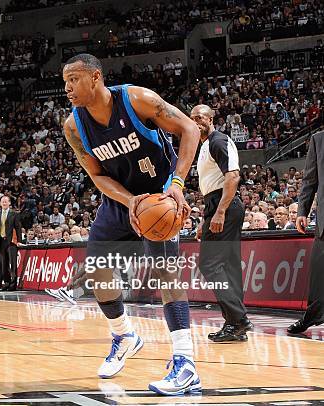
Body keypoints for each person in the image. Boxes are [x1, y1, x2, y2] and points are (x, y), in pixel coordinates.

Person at [62, 54, 200, 395]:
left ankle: (186, 362)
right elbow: (96, 174)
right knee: (96, 272)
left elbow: (190, 128)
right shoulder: (73, 126)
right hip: (121, 200)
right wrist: (129, 202)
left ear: (95, 77)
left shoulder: (138, 100)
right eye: (65, 82)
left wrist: (178, 184)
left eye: (74, 80)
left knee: (166, 272)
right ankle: (124, 335)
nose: (68, 88)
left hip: (161, 196)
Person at [191, 104, 252, 342]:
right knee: (228, 267)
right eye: (192, 118)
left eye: (200, 117)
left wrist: (219, 212)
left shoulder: (218, 140)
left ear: (211, 118)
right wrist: (207, 216)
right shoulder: (205, 145)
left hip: (223, 204)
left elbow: (233, 176)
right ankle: (234, 325)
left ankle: (238, 319)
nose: (195, 121)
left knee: (209, 264)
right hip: (215, 204)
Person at [288, 131, 324, 334]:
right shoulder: (318, 139)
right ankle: (312, 316)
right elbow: (310, 179)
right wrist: (302, 211)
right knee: (319, 275)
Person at [0, 195, 23, 291]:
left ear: (9, 203)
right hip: (1, 241)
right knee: (4, 264)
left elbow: (18, 228)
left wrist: (19, 241)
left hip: (11, 242)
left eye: (6, 202)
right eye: (2, 202)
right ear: (0, 203)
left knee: (13, 263)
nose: (4, 203)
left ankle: (13, 285)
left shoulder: (15, 214)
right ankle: (6, 283)